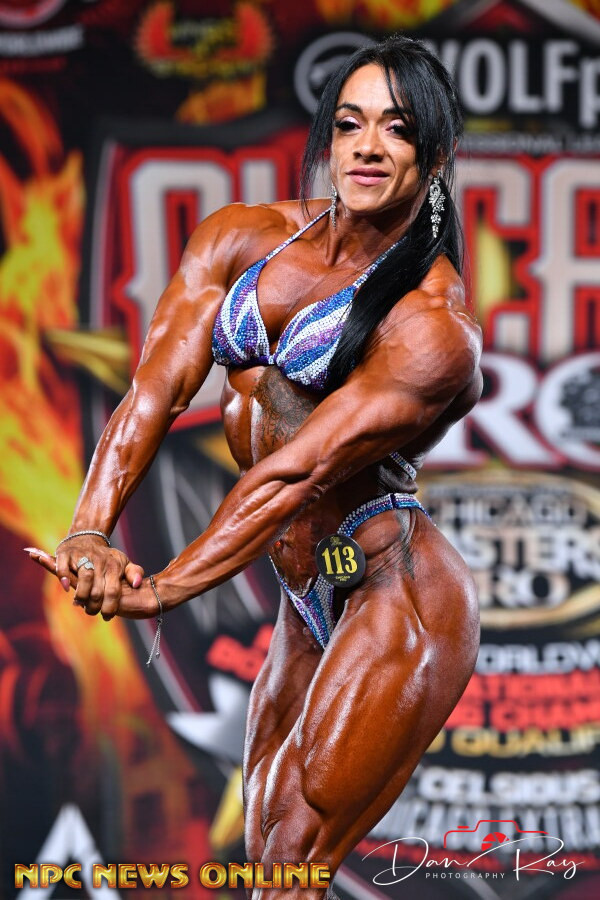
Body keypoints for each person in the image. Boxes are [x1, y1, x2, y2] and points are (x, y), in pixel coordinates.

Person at [28, 35, 482, 900]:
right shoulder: (242, 238)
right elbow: (152, 393)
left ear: (434, 155)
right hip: (303, 592)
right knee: (268, 860)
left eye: (395, 128)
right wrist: (89, 530)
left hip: (393, 586)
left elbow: (290, 477)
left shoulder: (432, 325)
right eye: (349, 123)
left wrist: (163, 588)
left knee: (298, 855)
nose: (367, 147)